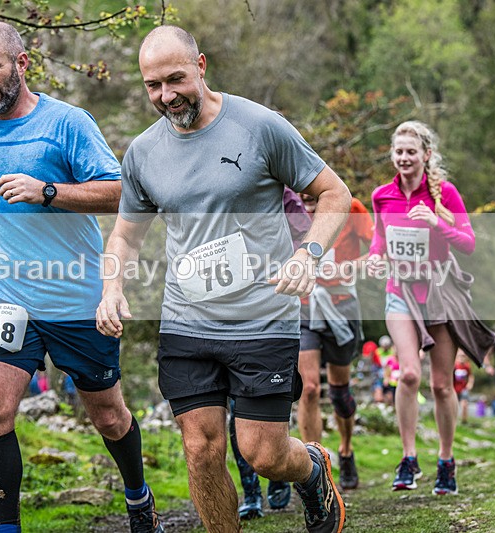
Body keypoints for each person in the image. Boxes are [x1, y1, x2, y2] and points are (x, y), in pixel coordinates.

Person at [96, 25, 351, 533]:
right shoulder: (143, 153)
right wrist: (112, 287)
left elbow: (334, 193)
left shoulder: (260, 126)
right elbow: (125, 235)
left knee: (263, 454)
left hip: (263, 316)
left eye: (175, 79)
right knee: (201, 448)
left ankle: (312, 467)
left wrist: (308, 254)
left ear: (201, 66)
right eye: (152, 85)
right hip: (187, 319)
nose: (165, 96)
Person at [0, 22, 162, 533]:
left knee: (109, 417)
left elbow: (120, 192)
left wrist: (48, 191)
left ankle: (138, 498)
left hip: (77, 294)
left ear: (22, 64)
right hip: (7, 295)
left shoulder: (67, 123)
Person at [367, 120, 495, 496]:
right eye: (398, 151)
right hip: (399, 291)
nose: (404, 158)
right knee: (408, 375)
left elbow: (469, 243)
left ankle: (446, 460)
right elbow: (379, 238)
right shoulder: (382, 195)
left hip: (438, 293)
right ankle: (408, 458)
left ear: (426, 155)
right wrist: (375, 257)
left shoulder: (446, 193)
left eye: (411, 151)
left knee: (441, 384)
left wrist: (436, 222)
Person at [229, 187, 308, 520]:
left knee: (266, 402)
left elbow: (306, 235)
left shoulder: (283, 195)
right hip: (224, 309)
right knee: (234, 407)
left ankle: (277, 472)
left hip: (270, 312)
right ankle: (251, 493)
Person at [296, 193, 373, 491]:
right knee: (309, 388)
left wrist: (349, 267)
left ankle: (346, 449)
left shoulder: (351, 208)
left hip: (342, 306)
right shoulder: (288, 207)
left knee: (340, 393)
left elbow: (378, 250)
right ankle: (314, 468)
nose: (305, 197)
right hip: (304, 307)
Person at [453, 350, 474, 424]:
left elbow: (471, 376)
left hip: (463, 388)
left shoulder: (467, 366)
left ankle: (464, 421)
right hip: (455, 388)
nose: (462, 358)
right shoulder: (454, 366)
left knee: (464, 404)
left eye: (463, 356)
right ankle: (453, 420)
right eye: (460, 356)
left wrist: (470, 384)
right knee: (454, 404)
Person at [379, 336, 399, 407]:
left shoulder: (402, 359)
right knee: (390, 394)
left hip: (399, 381)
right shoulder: (390, 359)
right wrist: (386, 378)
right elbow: (387, 370)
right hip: (392, 381)